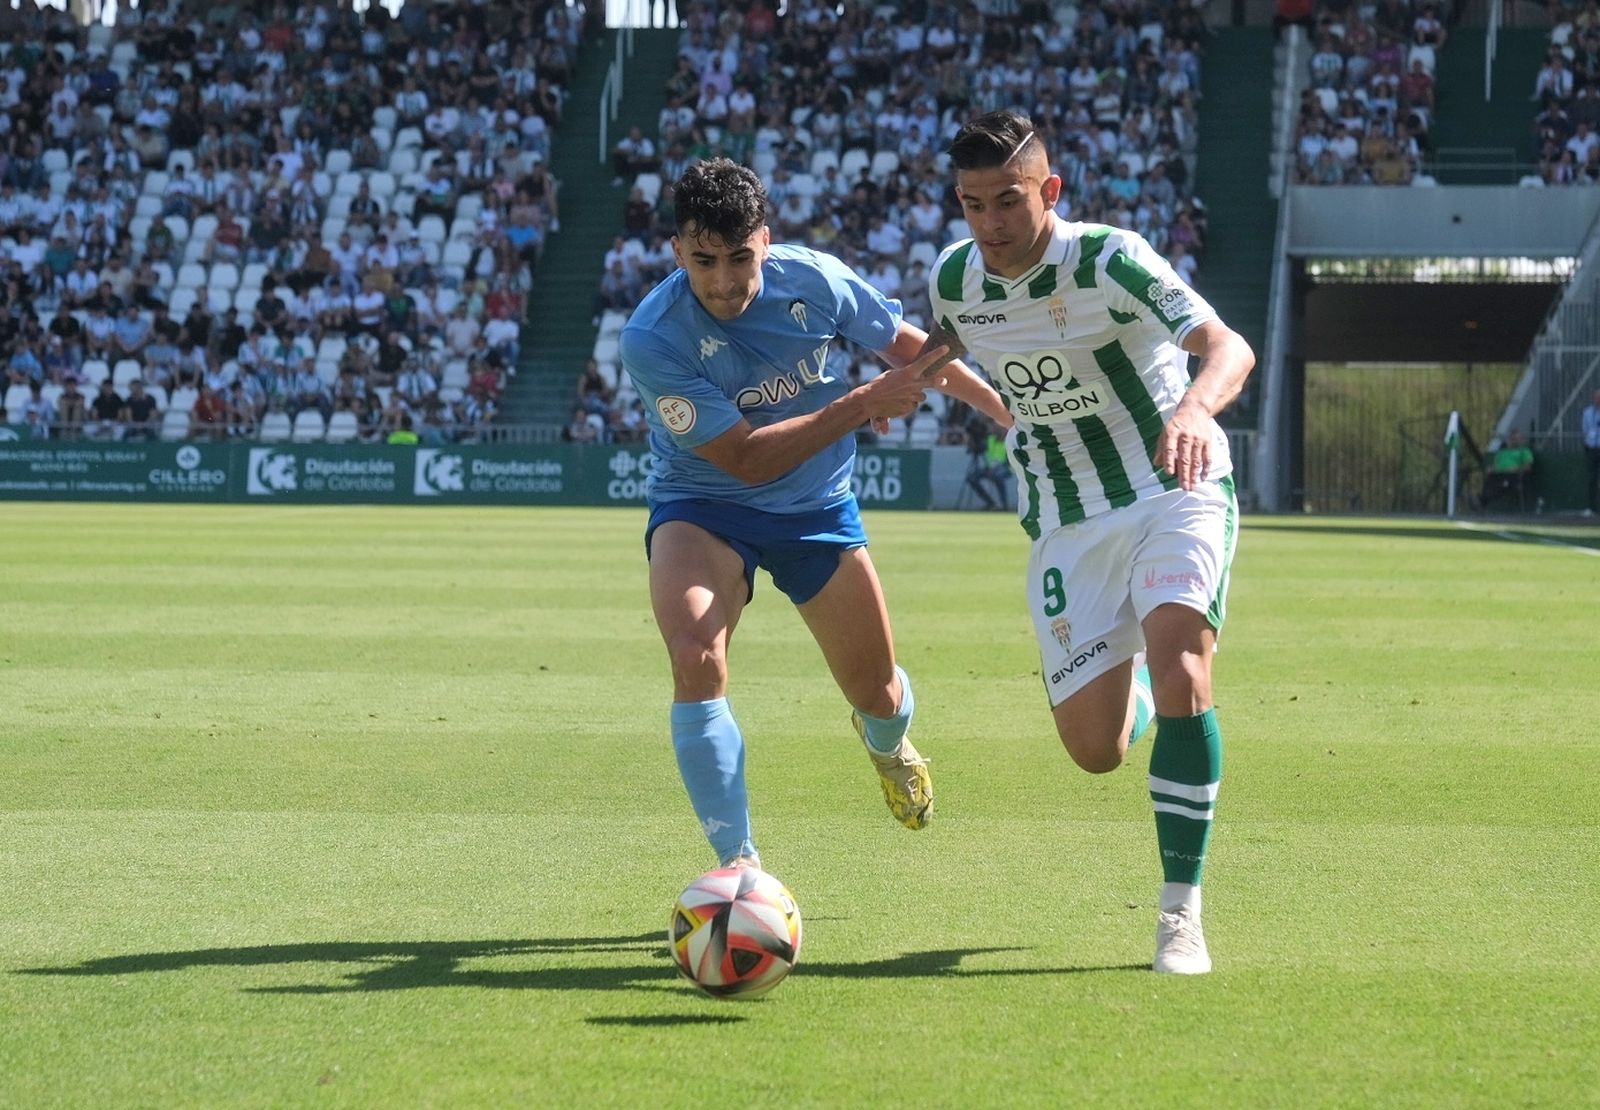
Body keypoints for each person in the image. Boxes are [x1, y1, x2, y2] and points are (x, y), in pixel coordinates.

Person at [928, 112, 1256, 974]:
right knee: (1095, 752)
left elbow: (1228, 346)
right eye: (972, 204)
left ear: (1050, 190)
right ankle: (1138, 685)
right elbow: (954, 342)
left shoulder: (1111, 260)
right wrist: (918, 383)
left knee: (1186, 664)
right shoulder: (955, 278)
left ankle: (1180, 915)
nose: (990, 223)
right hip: (1068, 520)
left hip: (1170, 488)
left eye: (1008, 200)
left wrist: (1192, 406)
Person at [619, 158, 1010, 870]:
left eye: (741, 257)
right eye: (704, 260)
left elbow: (908, 348)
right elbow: (745, 460)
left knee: (881, 696)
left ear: (765, 240)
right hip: (704, 506)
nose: (725, 280)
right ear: (677, 253)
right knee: (696, 660)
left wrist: (1003, 410)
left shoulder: (817, 280)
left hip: (816, 510)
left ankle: (887, 745)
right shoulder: (653, 337)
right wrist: (861, 404)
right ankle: (739, 869)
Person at [1482, 429, 1535, 511]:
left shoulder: (1524, 451)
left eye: (1518, 439)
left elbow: (1528, 467)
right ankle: (1482, 500)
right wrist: (1491, 469)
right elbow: (1495, 465)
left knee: (1501, 484)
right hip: (1497, 475)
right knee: (1490, 479)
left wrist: (1516, 469)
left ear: (1521, 440)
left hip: (1513, 476)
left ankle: (1481, 501)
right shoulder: (1502, 452)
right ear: (1510, 440)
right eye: (1513, 439)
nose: (1515, 441)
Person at [1582, 388, 1600, 516]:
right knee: (1592, 478)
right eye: (1596, 397)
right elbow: (1585, 429)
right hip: (1592, 448)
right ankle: (1591, 507)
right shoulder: (1587, 412)